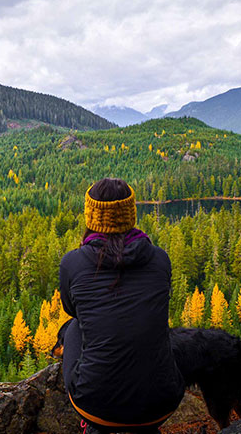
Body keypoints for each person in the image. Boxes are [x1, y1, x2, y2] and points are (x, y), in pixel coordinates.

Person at [59, 178, 186, 433]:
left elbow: (73, 310)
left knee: (74, 327)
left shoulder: (73, 262)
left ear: (91, 215)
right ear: (130, 213)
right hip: (162, 404)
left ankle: (93, 425)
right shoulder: (160, 258)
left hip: (95, 408)